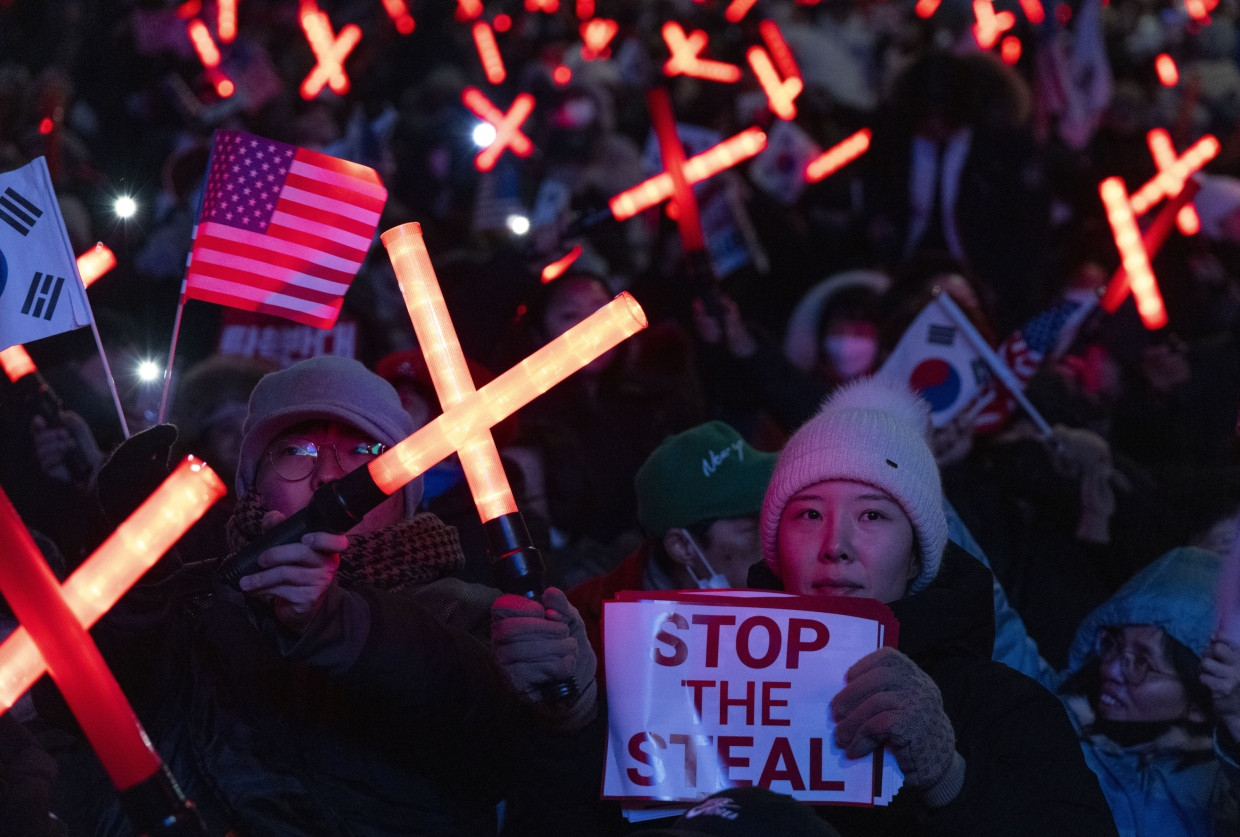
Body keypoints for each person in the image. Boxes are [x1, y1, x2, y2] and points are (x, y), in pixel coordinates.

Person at [46, 355, 595, 836]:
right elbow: (72, 705)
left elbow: (494, 744)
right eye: (297, 451)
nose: (330, 476)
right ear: (252, 484)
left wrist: (573, 701)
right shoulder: (186, 600)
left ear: (407, 490)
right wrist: (124, 566)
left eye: (365, 450)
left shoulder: (474, 613)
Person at [746, 375, 1118, 834]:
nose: (835, 545)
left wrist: (951, 781)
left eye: (872, 515)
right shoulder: (699, 684)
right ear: (775, 547)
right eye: (810, 514)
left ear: (916, 556)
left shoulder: (1007, 709)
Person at [1057, 546, 1240, 835]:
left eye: (1142, 662)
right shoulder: (1047, 718)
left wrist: (1237, 721)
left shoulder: (1216, 791)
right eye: (1113, 644)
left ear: (1197, 704)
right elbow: (997, 616)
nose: (1111, 670)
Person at [568, 421, 777, 670]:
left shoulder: (802, 592)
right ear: (682, 547)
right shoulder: (584, 626)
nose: (771, 536)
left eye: (772, 515)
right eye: (752, 526)